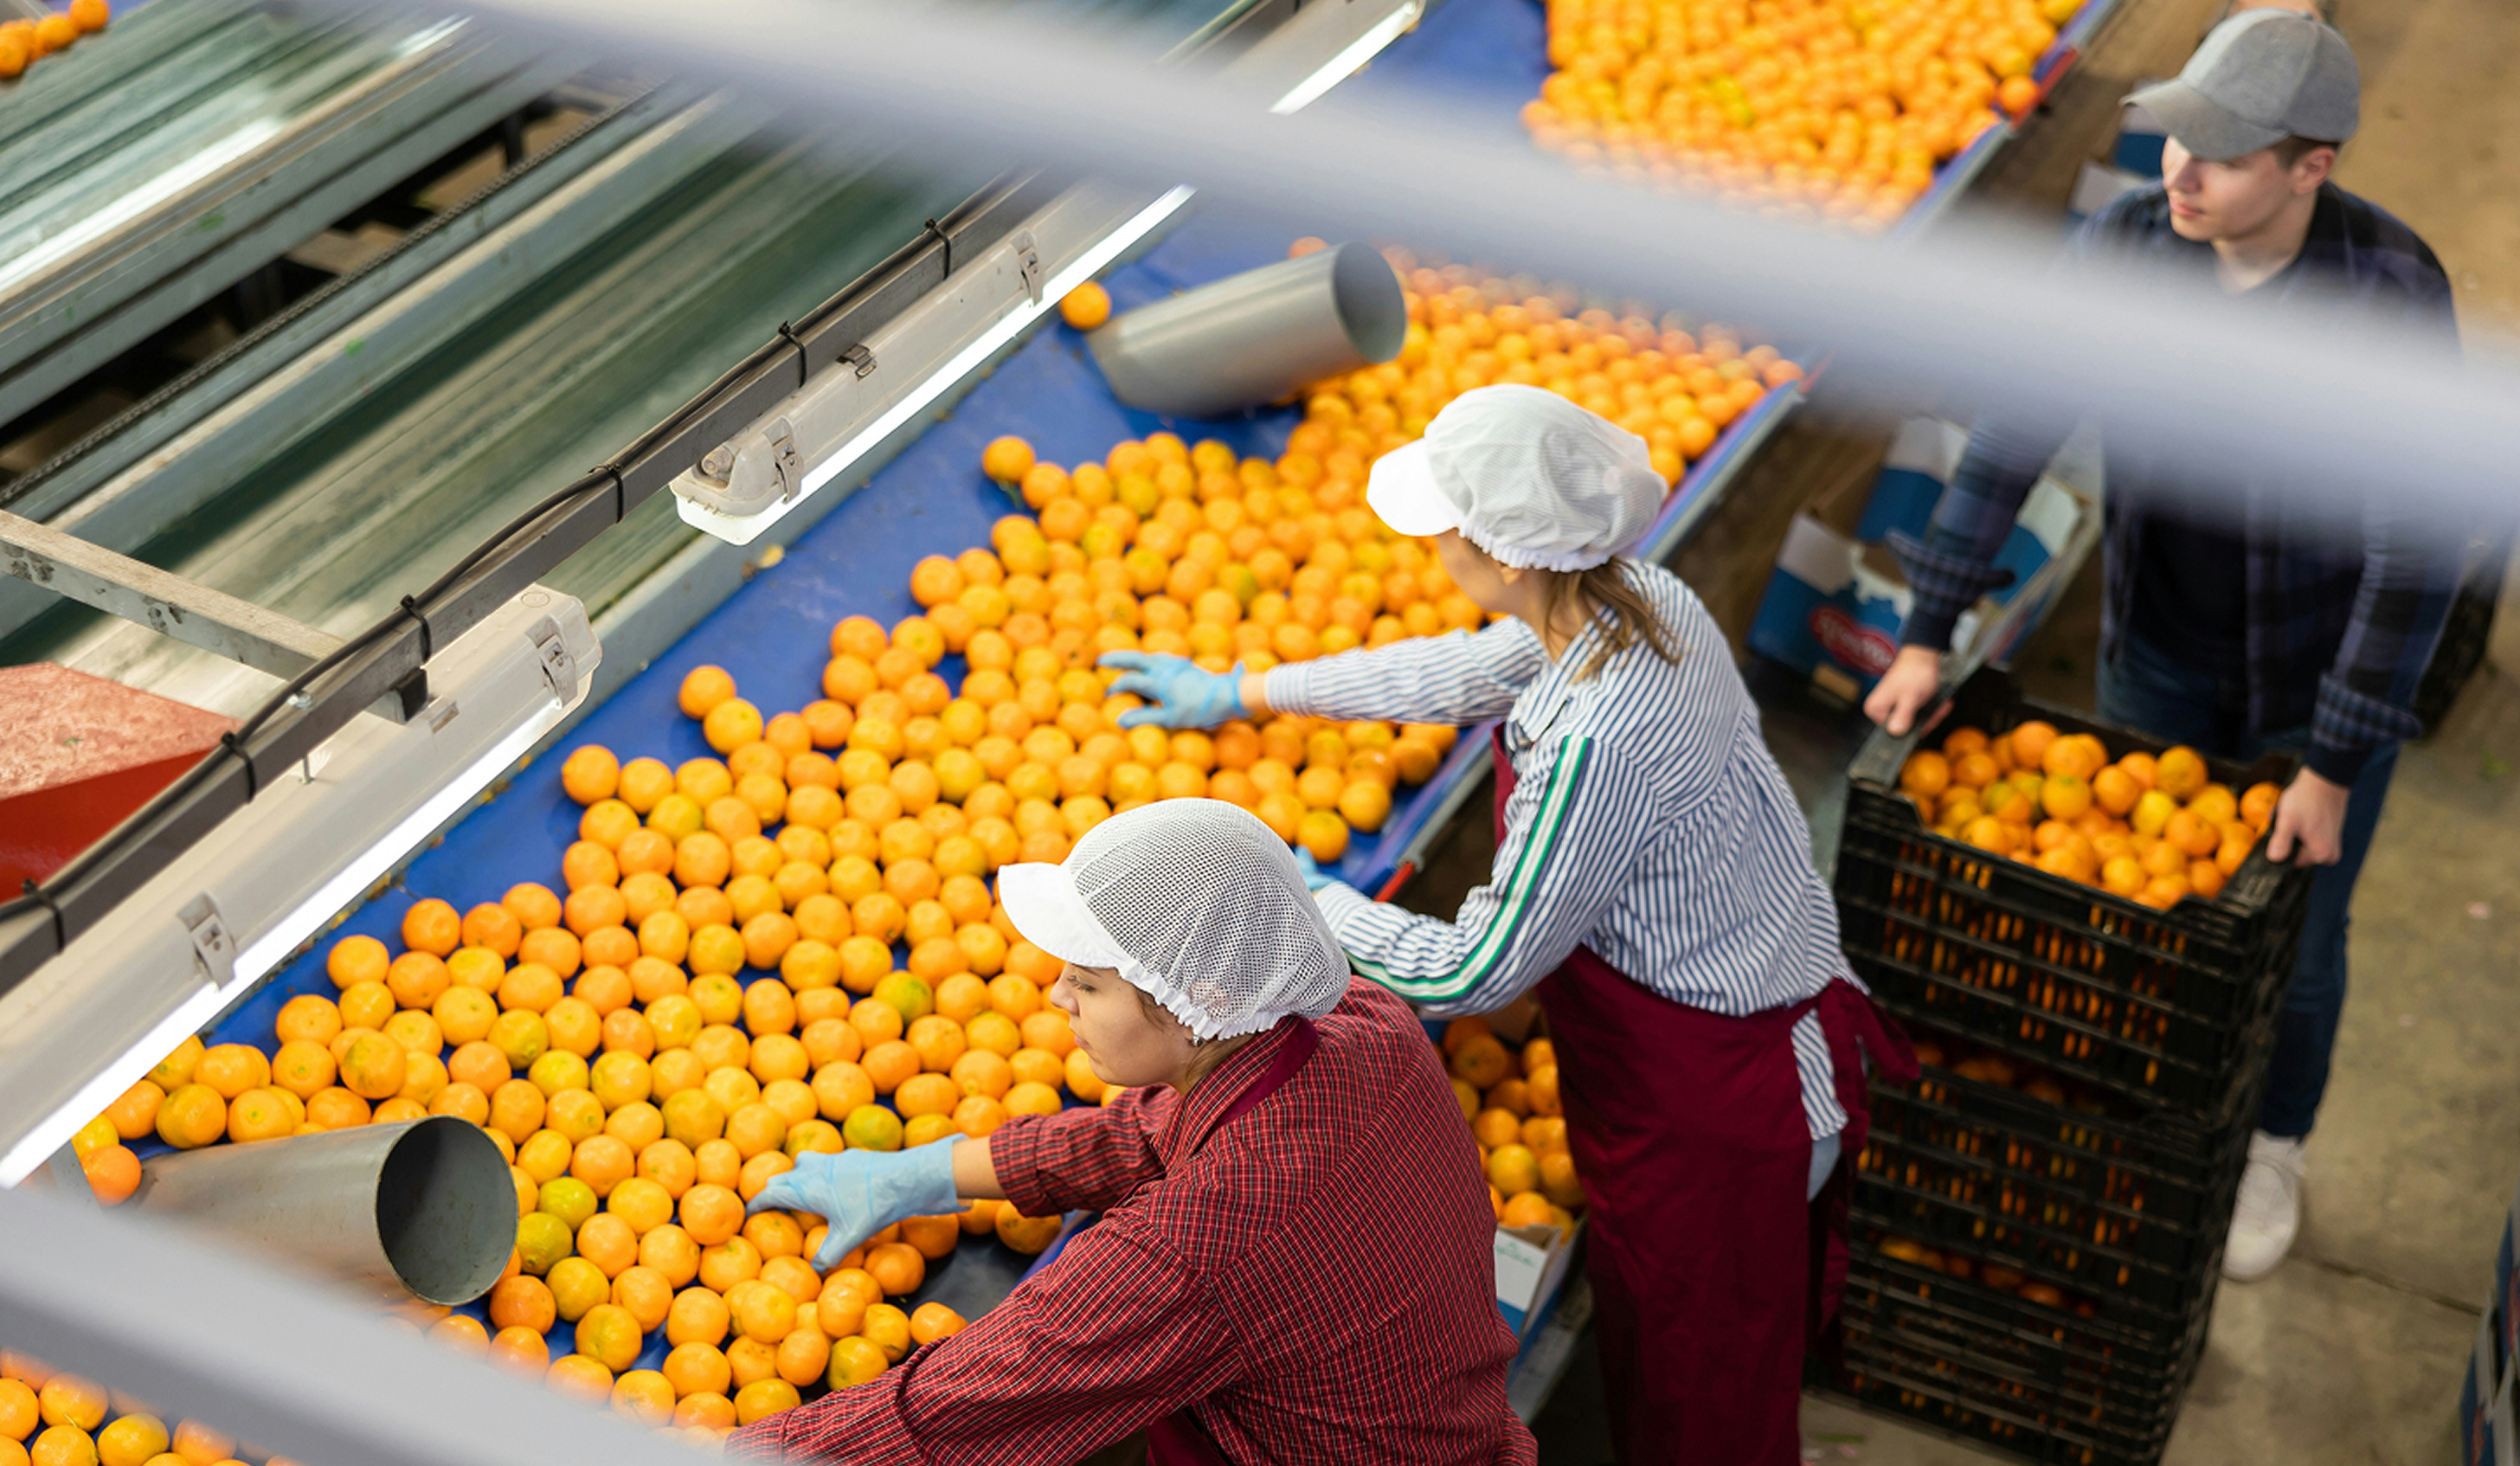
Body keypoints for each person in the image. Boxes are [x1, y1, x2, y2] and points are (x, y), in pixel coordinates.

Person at [1102, 384, 1917, 1463]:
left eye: (1448, 526)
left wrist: (1308, 903)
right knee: (1696, 1359)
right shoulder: (1638, 599)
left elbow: (1477, 966)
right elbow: (1470, 669)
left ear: (1508, 554)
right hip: (1732, 1029)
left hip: (1717, 1098)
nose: (1435, 542)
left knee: (1699, 1397)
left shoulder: (1592, 744)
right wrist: (1249, 689)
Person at [1861, 10, 2458, 1282]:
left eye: (2225, 155)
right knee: (2150, 907)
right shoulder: (2127, 248)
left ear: (2314, 166)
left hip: (2316, 680)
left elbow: (2415, 556)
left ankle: (2273, 1143)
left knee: (2295, 944)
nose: (2180, 170)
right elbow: (2013, 435)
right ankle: (2154, 1127)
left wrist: (2338, 758)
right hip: (2164, 650)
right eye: (2179, 137)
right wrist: (1928, 628)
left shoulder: (2390, 297)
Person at [724, 799, 1533, 1466]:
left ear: (1200, 998)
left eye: (1085, 982)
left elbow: (962, 1408)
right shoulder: (1363, 1019)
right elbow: (1150, 1135)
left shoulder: (1205, 1243)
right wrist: (925, 1173)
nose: (1055, 999)